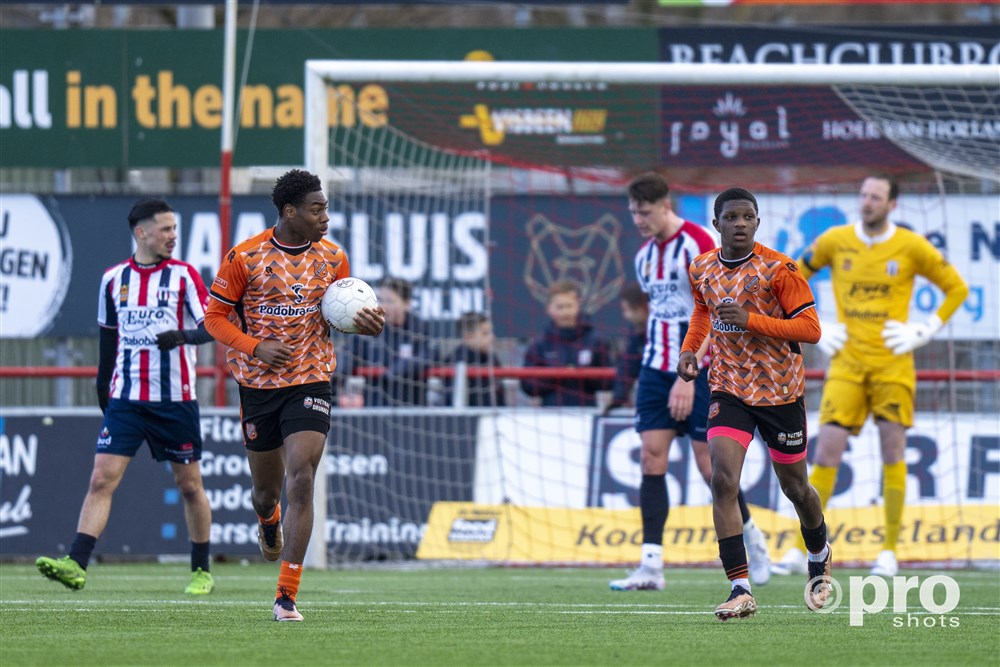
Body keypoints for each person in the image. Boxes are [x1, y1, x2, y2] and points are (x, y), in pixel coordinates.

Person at [204, 169, 384, 622]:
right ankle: (268, 521)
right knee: (267, 494)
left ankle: (286, 595)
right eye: (316, 208)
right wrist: (254, 346)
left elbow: (342, 310)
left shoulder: (333, 257)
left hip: (311, 380)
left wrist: (367, 322)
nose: (326, 216)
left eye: (325, 207)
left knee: (301, 477)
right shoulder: (244, 258)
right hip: (259, 387)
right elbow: (215, 318)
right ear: (289, 212)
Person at [770, 173, 970, 578]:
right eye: (863, 195)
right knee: (825, 453)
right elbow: (788, 277)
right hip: (846, 362)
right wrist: (819, 323)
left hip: (893, 363)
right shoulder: (834, 240)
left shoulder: (911, 246)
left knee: (893, 452)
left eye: (876, 197)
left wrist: (924, 329)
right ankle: (803, 548)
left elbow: (957, 289)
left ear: (892, 204)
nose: (867, 202)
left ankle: (889, 552)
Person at [36, 198, 216, 596]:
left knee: (189, 484)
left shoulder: (184, 277)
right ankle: (76, 564)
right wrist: (105, 396)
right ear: (141, 232)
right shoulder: (113, 279)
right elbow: (108, 344)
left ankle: (201, 569)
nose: (173, 236)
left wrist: (182, 337)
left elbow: (213, 326)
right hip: (126, 400)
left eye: (174, 229)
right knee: (101, 478)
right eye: (165, 229)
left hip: (175, 400)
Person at [608, 175, 770, 593]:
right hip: (654, 368)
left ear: (664, 206)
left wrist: (690, 371)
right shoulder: (644, 256)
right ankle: (650, 566)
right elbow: (660, 314)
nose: (638, 220)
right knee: (650, 457)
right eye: (633, 213)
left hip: (700, 369)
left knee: (711, 468)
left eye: (643, 212)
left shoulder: (699, 243)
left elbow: (713, 312)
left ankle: (754, 541)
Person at [677, 186, 831, 620]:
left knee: (796, 489)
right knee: (723, 481)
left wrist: (752, 321)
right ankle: (739, 588)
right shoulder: (701, 267)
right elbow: (703, 312)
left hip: (780, 392)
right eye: (732, 217)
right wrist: (691, 349)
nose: (740, 223)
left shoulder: (779, 269)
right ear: (717, 224)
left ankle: (818, 552)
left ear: (757, 223)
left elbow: (811, 329)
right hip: (728, 389)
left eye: (748, 217)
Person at [335, 276, 434, 407]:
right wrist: (338, 379)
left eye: (391, 301)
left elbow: (430, 355)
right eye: (381, 300)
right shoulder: (369, 327)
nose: (384, 306)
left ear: (407, 303)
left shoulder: (419, 329)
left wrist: (398, 369)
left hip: (413, 410)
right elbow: (348, 355)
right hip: (374, 411)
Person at [520, 279, 613, 407]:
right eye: (560, 307)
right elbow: (527, 386)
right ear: (549, 309)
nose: (565, 312)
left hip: (587, 414)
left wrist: (585, 374)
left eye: (569, 306)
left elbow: (610, 382)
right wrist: (555, 375)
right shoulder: (540, 344)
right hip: (550, 416)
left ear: (578, 305)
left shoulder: (596, 340)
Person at [442, 311, 505, 407]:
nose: (492, 337)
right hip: (467, 419)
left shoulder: (493, 359)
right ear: (468, 337)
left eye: (491, 332)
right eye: (485, 333)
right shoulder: (455, 360)